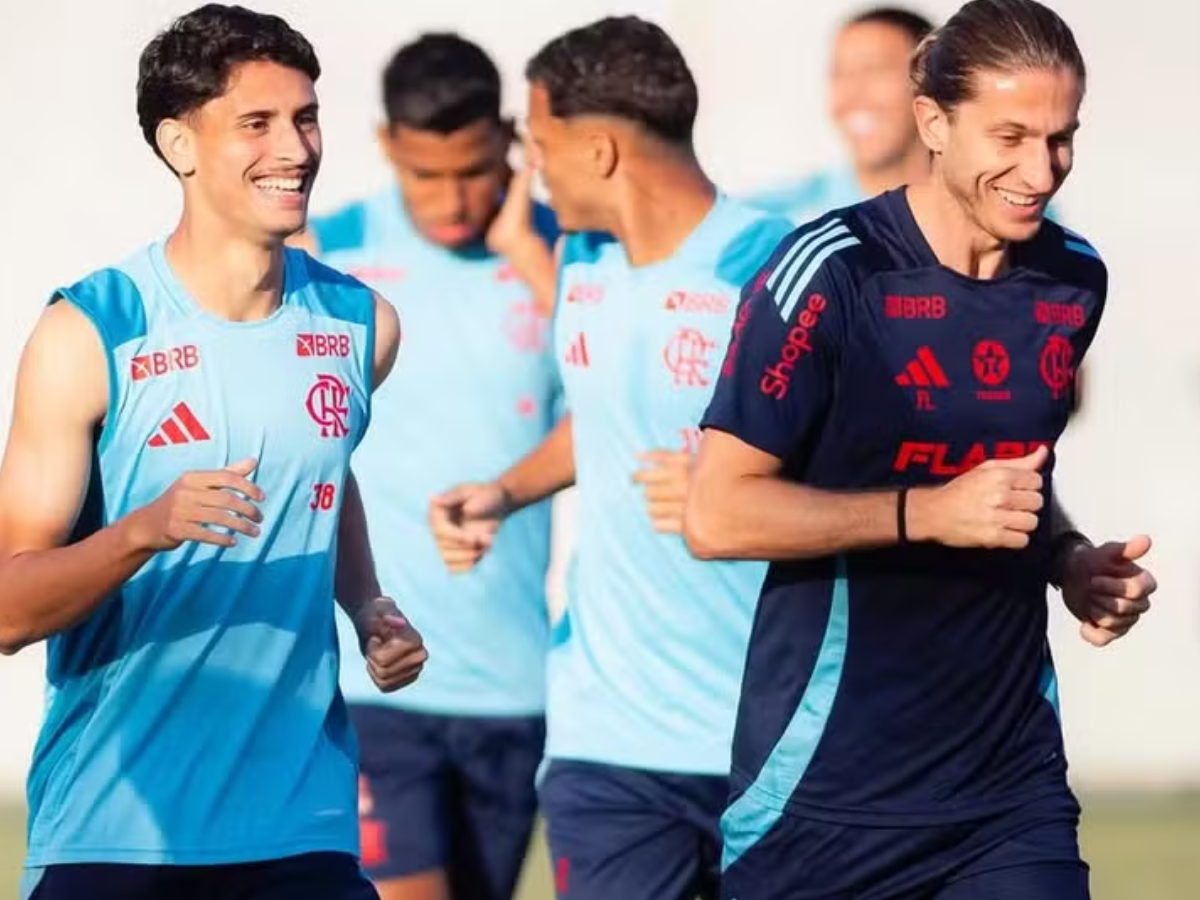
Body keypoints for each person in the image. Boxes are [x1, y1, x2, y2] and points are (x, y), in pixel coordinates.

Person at [684, 1, 1157, 898]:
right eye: (1010, 137)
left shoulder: (1073, 280)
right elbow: (717, 512)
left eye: (1061, 138)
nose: (1041, 171)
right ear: (933, 122)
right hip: (824, 797)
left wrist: (1068, 558)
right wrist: (924, 513)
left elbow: (1015, 472)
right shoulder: (829, 273)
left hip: (1008, 791)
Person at [0, 5, 426, 899]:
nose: (295, 149)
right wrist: (142, 531)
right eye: (257, 124)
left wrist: (366, 605)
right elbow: (7, 609)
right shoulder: (91, 331)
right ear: (179, 145)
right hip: (119, 833)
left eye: (306, 118)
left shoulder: (363, 326)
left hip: (302, 826)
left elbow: (324, 471)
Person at [428, 17, 794, 900]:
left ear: (597, 151)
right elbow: (603, 422)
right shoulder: (581, 262)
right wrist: (505, 493)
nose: (529, 168)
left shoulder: (776, 269)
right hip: (607, 738)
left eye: (539, 142)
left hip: (767, 735)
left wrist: (735, 486)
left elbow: (864, 462)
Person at [296, 33, 560, 900]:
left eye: (474, 171)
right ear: (386, 146)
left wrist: (530, 253)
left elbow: (619, 413)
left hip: (515, 682)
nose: (451, 199)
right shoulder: (327, 258)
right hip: (371, 674)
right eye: (425, 176)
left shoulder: (564, 256)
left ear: (510, 141)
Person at [751, 6, 935, 224]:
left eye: (874, 69)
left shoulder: (968, 213)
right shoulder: (770, 225)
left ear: (933, 84)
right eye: (839, 74)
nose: (851, 95)